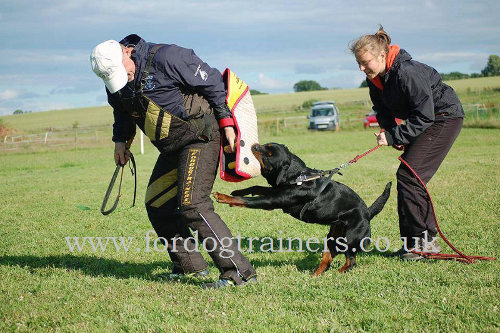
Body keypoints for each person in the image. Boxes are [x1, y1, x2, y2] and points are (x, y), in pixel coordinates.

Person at [90, 34, 257, 288]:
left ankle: (239, 273)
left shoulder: (167, 57)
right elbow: (121, 110)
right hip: (171, 147)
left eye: (123, 71)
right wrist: (121, 140)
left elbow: (212, 81)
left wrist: (226, 121)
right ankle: (189, 267)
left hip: (200, 135)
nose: (124, 79)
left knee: (193, 204)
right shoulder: (115, 77)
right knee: (158, 204)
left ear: (126, 52)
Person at [350, 26, 465, 260]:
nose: (362, 68)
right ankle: (412, 245)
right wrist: (391, 131)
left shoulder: (407, 72)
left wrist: (396, 136)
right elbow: (381, 109)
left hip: (443, 117)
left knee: (410, 176)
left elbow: (425, 115)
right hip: (426, 120)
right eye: (359, 64)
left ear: (382, 56)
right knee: (410, 178)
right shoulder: (375, 79)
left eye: (365, 62)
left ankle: (424, 245)